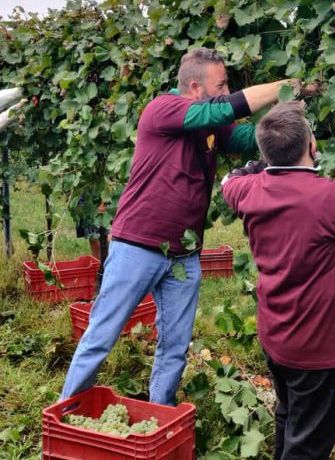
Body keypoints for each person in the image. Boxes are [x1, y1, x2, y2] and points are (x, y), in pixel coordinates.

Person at [60, 48, 316, 405]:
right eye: (221, 84)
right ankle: (65, 415)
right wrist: (285, 86)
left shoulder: (210, 122)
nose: (226, 90)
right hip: (137, 246)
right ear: (195, 88)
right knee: (101, 337)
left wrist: (288, 118)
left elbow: (245, 138)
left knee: (175, 348)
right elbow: (227, 108)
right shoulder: (163, 109)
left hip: (184, 255)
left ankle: (159, 415)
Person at [221, 102, 335, 460]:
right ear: (311, 147)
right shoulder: (331, 198)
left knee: (290, 417)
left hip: (277, 338)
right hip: (317, 348)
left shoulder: (250, 190)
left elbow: (229, 179)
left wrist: (264, 163)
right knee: (310, 446)